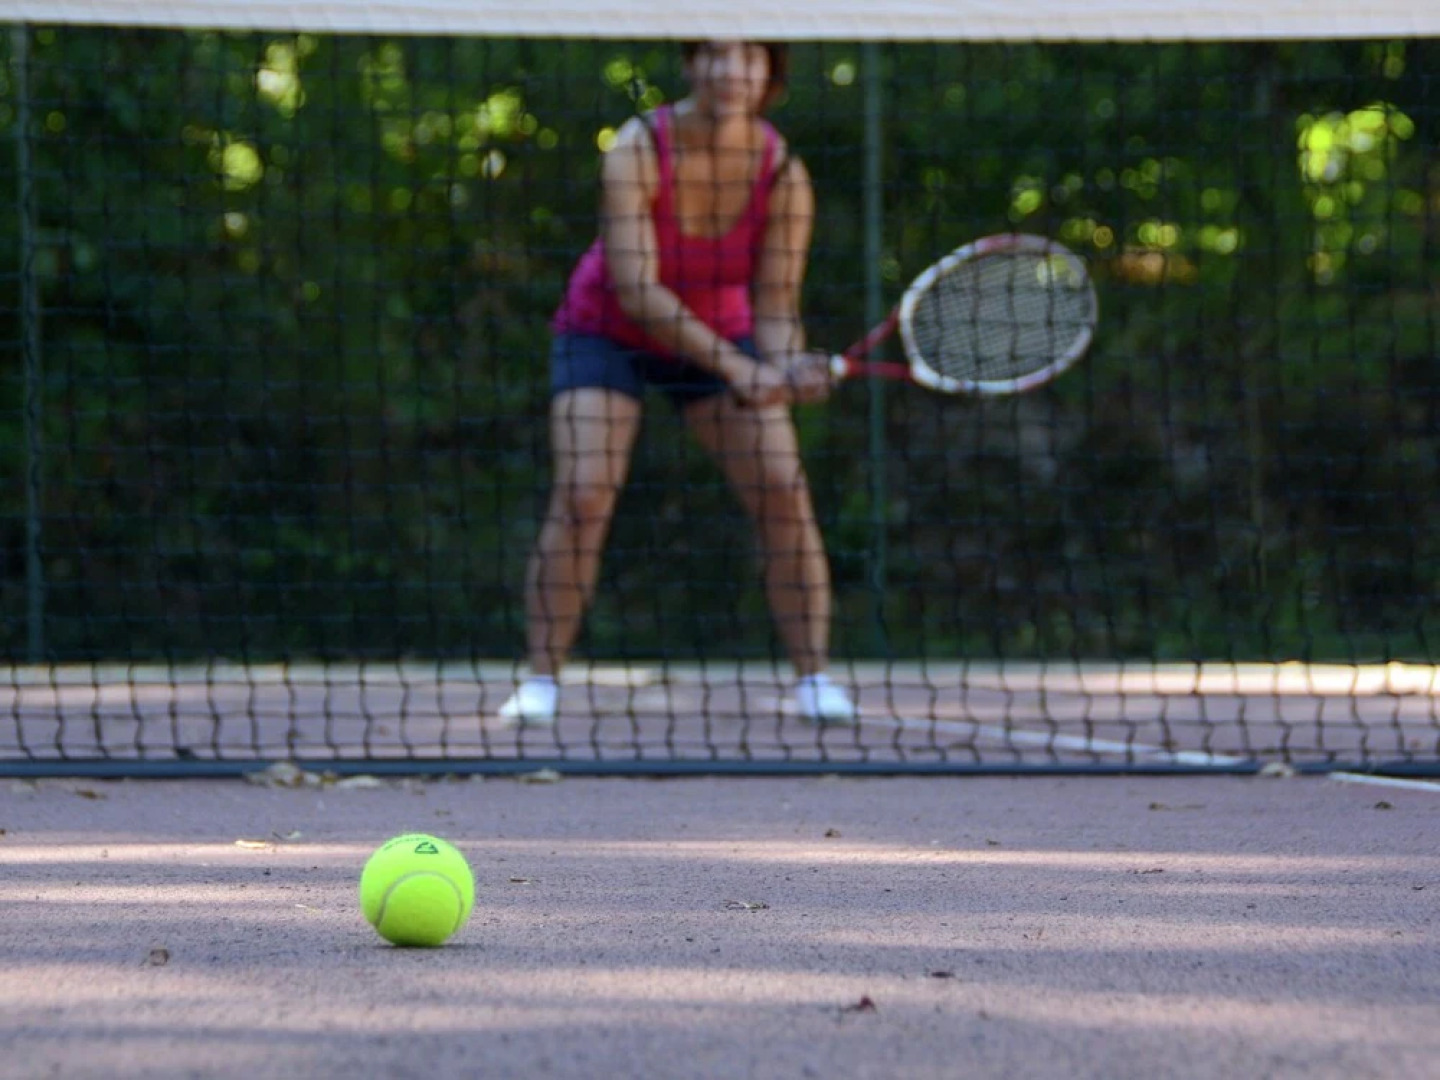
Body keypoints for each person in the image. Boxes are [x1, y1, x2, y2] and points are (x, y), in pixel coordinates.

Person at [498, 40, 857, 726]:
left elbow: (777, 306)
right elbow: (636, 289)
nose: (732, 70)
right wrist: (740, 368)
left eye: (751, 56)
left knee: (783, 488)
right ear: (691, 65)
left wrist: (784, 366)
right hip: (608, 331)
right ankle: (540, 682)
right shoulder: (637, 146)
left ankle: (815, 680)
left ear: (770, 75)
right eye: (716, 54)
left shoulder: (782, 171)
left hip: (724, 338)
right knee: (583, 496)